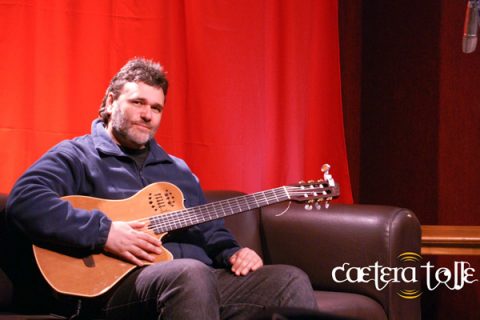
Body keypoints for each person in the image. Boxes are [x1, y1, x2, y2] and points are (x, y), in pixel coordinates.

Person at [5, 58, 318, 319]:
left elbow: (209, 231)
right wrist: (105, 232)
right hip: (112, 289)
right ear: (111, 102)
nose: (147, 115)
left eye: (156, 108)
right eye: (138, 102)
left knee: (288, 279)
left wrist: (234, 252)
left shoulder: (177, 170)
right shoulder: (77, 155)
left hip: (190, 282)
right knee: (190, 274)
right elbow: (26, 200)